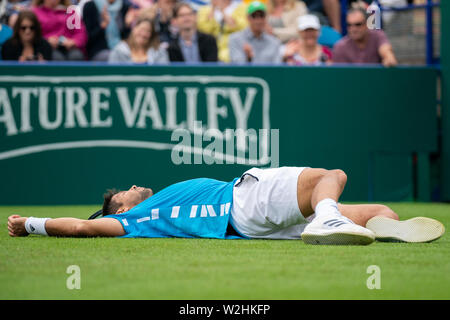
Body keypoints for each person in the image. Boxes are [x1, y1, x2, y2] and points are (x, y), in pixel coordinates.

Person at [7, 166, 445, 245]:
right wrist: (31, 224)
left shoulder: (142, 223)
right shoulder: (131, 221)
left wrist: (33, 225)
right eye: (122, 192)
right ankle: (327, 219)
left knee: (381, 213)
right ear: (117, 210)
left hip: (255, 227)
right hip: (246, 197)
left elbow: (87, 229)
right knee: (333, 178)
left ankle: (347, 222)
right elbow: (83, 228)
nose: (133, 186)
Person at [332, 8, 397, 67]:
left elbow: (386, 51)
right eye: (349, 25)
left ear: (367, 24)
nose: (353, 29)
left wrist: (388, 58)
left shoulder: (377, 36)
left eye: (358, 24)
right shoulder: (340, 47)